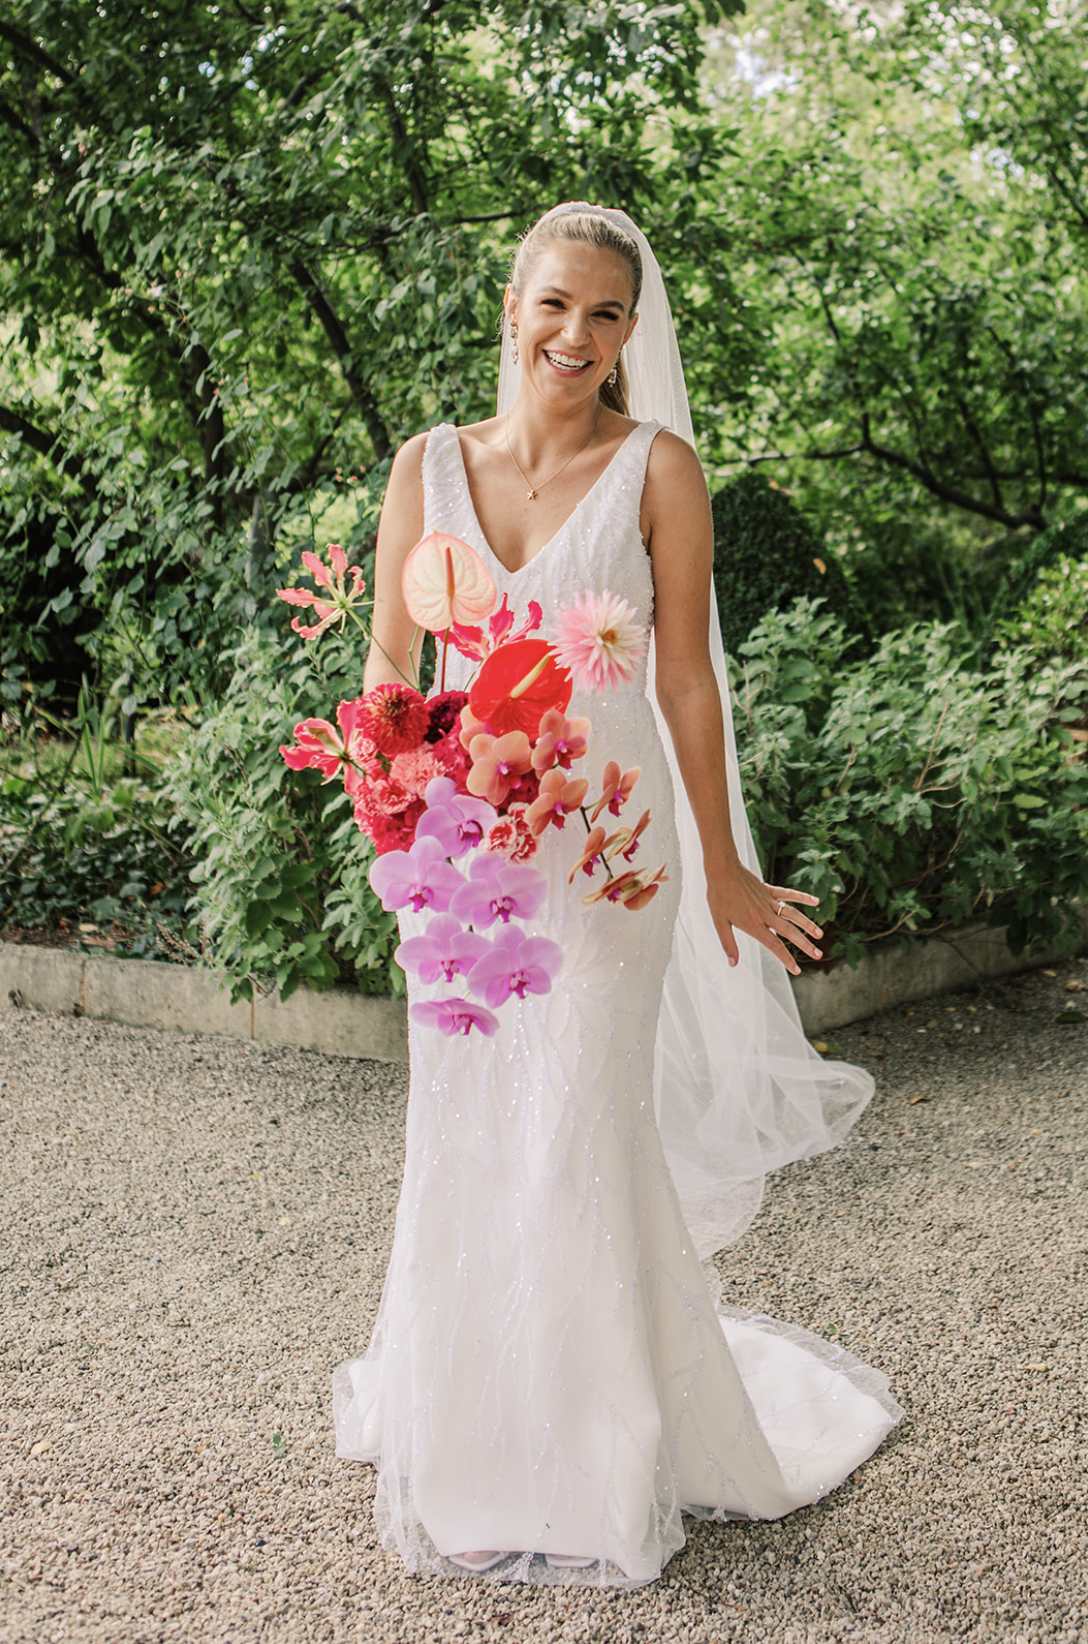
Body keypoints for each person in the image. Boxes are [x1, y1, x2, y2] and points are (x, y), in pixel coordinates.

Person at [332, 203, 902, 1587]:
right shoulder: (428, 466)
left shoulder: (660, 467)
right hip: (464, 851)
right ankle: (470, 1435)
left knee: (579, 1118)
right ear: (511, 307)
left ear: (630, 334)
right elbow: (386, 665)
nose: (573, 337)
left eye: (602, 314)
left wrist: (721, 865)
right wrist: (391, 793)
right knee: (471, 1126)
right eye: (552, 305)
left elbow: (687, 675)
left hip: (610, 851)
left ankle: (593, 1462)